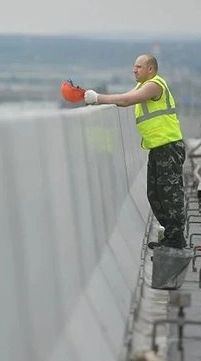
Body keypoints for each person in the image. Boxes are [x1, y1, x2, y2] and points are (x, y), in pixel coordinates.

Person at [69, 54, 186, 249]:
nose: (134, 70)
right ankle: (170, 235)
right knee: (155, 194)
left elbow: (125, 100)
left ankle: (176, 238)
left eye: (139, 67)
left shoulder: (155, 85)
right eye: (134, 66)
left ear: (150, 69)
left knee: (169, 193)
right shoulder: (142, 86)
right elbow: (123, 97)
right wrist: (94, 97)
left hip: (169, 147)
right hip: (157, 148)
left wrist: (97, 98)